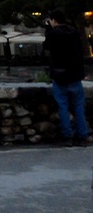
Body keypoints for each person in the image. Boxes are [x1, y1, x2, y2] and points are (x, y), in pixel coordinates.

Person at [43, 9, 89, 146]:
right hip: (75, 75)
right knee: (79, 106)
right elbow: (80, 53)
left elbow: (46, 47)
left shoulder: (53, 34)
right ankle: (82, 135)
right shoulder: (74, 32)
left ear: (54, 20)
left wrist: (47, 30)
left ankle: (67, 136)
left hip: (60, 75)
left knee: (62, 106)